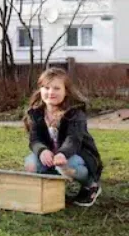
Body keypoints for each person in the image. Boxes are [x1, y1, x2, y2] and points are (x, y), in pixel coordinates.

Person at [24, 68, 103, 207]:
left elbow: (73, 139)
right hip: (51, 156)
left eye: (56, 88)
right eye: (46, 87)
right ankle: (53, 189)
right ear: (40, 90)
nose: (51, 92)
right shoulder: (35, 113)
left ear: (66, 91)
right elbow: (34, 139)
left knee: (68, 164)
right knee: (30, 163)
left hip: (77, 156)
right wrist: (42, 150)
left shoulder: (75, 113)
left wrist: (62, 153)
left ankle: (90, 185)